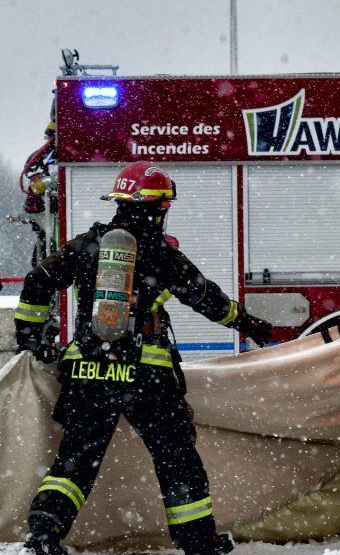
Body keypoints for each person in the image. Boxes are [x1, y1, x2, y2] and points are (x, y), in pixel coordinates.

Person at [13, 161, 274, 555]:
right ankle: (197, 542)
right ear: (158, 208)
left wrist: (35, 338)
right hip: (145, 378)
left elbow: (37, 282)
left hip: (88, 371)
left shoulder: (87, 245)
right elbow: (207, 298)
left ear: (119, 201)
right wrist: (248, 322)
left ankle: (44, 534)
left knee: (76, 460)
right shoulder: (161, 255)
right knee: (175, 459)